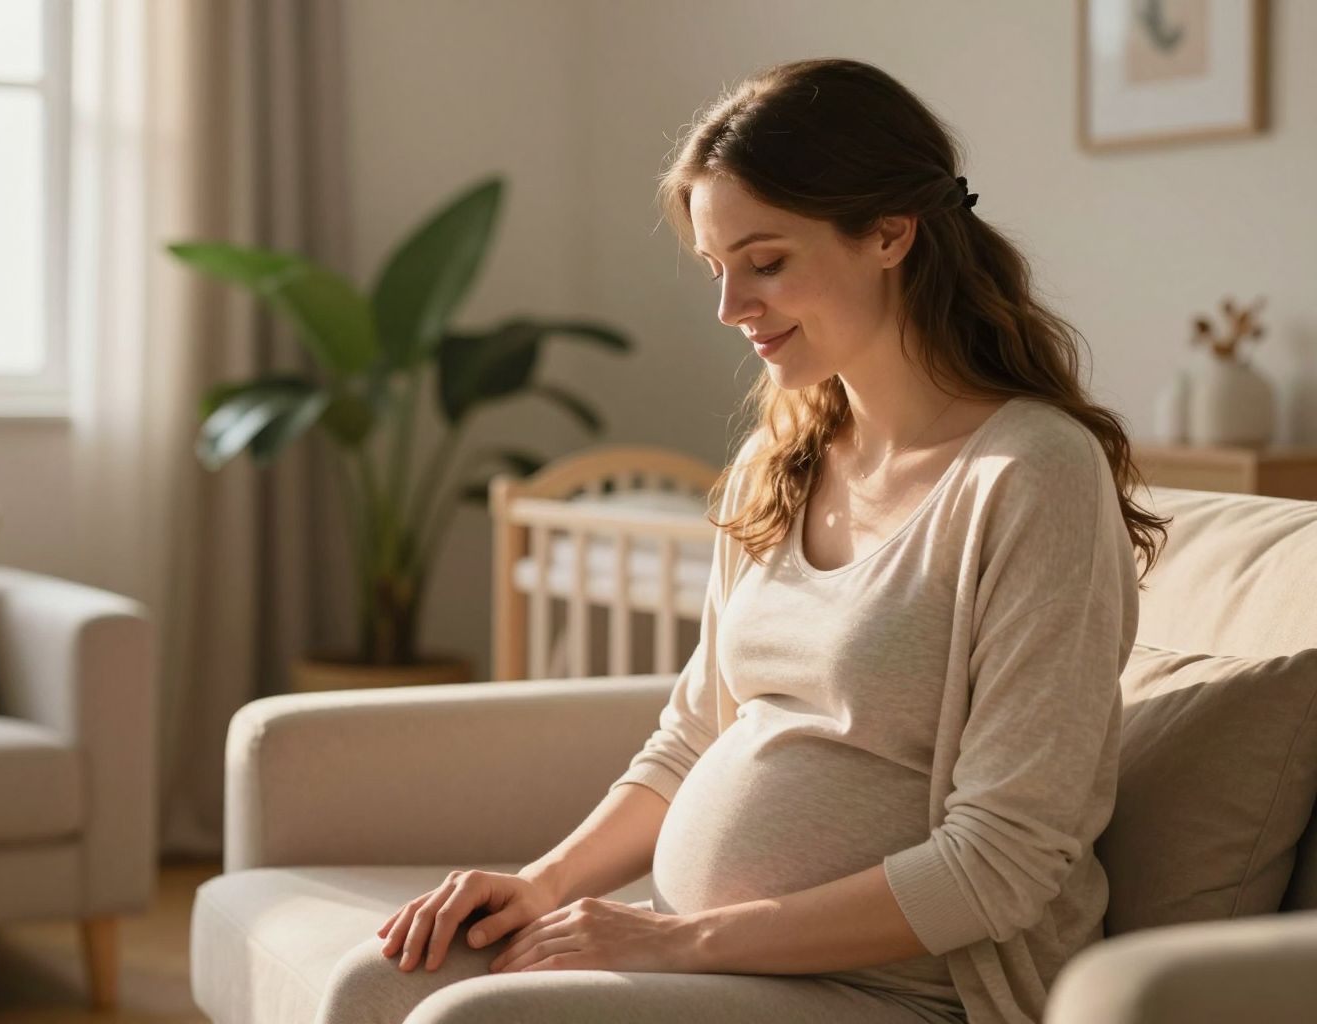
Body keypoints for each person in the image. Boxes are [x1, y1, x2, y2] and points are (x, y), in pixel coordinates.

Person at [314, 56, 1170, 1024]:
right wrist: (543, 883)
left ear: (891, 233)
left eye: (766, 262)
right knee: (371, 986)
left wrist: (676, 939)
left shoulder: (1030, 474)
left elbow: (1006, 860)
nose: (732, 309)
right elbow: (694, 736)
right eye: (718, 269)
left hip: (914, 985)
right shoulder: (787, 454)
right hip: (717, 955)